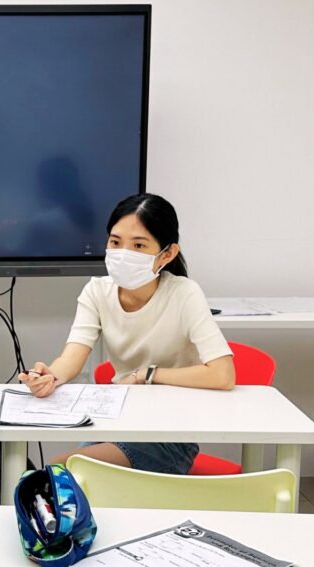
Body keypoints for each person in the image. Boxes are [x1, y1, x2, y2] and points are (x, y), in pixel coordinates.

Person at [18, 193, 235, 474]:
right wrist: (50, 377)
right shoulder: (97, 291)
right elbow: (71, 358)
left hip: (171, 434)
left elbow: (222, 374)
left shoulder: (184, 294)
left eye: (138, 245)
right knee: (61, 475)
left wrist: (148, 375)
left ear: (167, 254)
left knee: (61, 469)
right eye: (115, 242)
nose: (123, 253)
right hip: (118, 422)